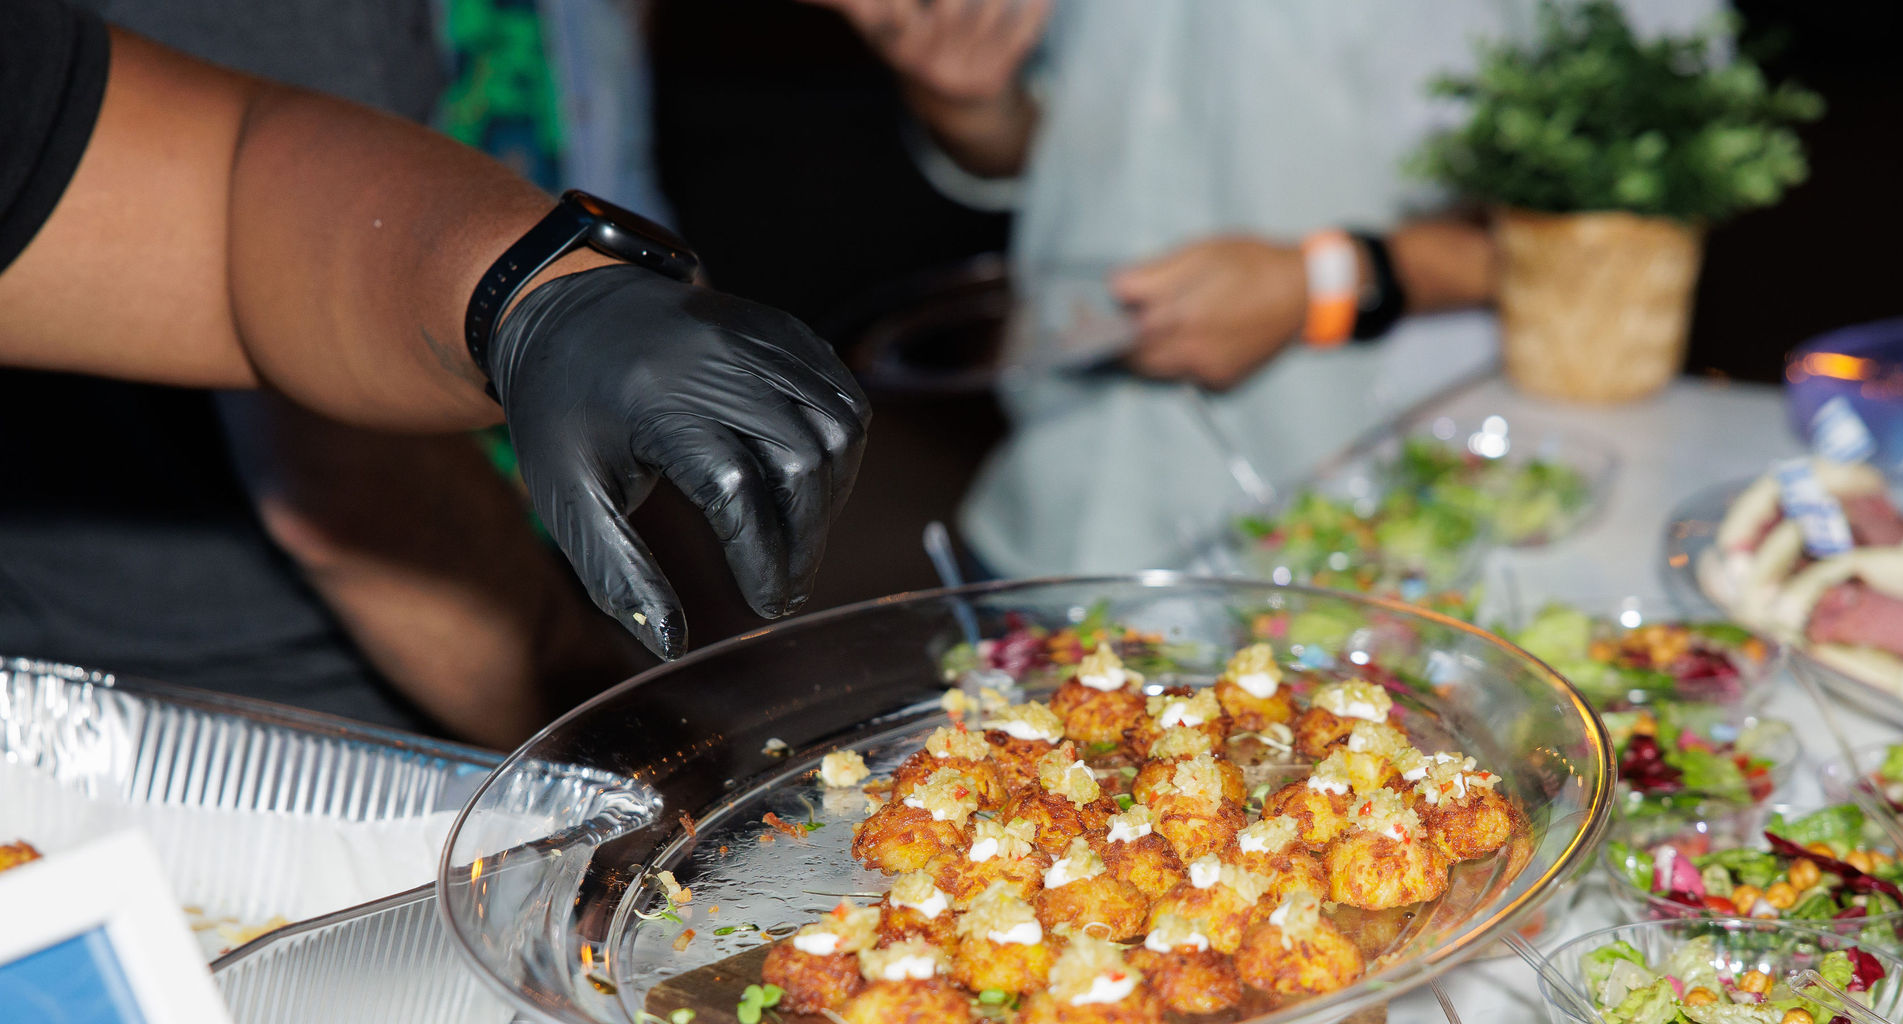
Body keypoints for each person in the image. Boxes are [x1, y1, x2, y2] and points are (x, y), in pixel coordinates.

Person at [0, 0, 868, 671]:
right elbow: (343, 487)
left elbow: (226, 196)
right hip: (260, 694)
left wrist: (535, 296)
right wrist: (635, 729)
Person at [808, 0, 1696, 576]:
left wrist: (1325, 284)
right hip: (1056, 513)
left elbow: (1650, 226)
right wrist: (965, 97)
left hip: (1375, 540)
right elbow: (1038, 143)